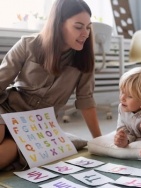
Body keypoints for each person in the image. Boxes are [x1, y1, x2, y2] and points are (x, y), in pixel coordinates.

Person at [0, 0, 102, 170]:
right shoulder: (28, 45)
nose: (85, 33)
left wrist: (100, 142)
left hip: (36, 128)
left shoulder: (84, 60)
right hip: (7, 110)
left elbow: (86, 101)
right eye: (78, 27)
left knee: (4, 156)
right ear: (58, 24)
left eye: (88, 27)